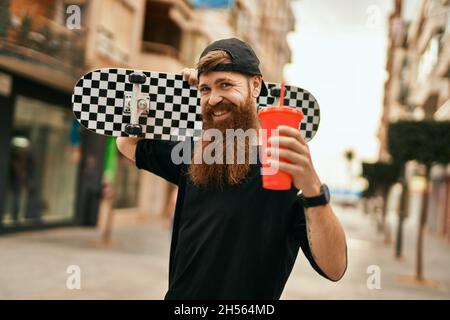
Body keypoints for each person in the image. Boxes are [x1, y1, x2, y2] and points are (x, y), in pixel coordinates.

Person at [117, 38, 347, 299]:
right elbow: (126, 142)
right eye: (205, 89)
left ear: (256, 85)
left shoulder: (281, 168)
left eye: (225, 84)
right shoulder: (194, 153)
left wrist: (314, 188)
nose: (214, 98)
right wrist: (175, 97)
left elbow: (335, 267)